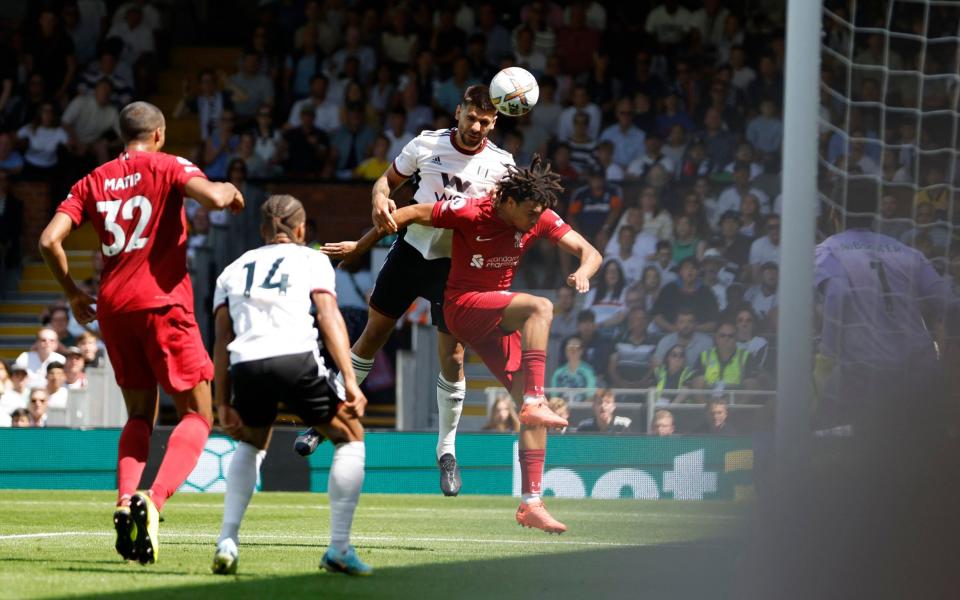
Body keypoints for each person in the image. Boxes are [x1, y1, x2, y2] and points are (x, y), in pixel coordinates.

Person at [323, 155, 602, 533]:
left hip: (495, 316)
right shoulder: (471, 211)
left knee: (529, 409)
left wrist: (583, 271)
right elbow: (406, 214)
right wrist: (360, 244)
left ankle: (532, 502)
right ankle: (534, 401)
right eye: (531, 212)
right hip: (462, 307)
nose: (537, 220)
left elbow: (591, 252)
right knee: (541, 307)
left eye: (540, 213)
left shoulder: (539, 218)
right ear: (507, 203)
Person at [39, 101, 245, 565]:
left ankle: (125, 499)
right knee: (197, 413)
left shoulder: (92, 179)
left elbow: (49, 240)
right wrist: (229, 188)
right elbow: (212, 199)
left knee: (138, 416)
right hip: (162, 304)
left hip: (113, 308)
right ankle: (152, 501)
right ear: (159, 134)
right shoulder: (168, 164)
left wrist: (72, 291)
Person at [295, 86, 515, 498]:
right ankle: (332, 414)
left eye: (486, 121)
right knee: (374, 334)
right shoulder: (425, 144)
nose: (477, 126)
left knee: (452, 355)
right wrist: (379, 198)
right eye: (472, 117)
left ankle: (446, 451)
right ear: (459, 111)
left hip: (456, 268)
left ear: (495, 123)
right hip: (410, 250)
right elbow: (387, 181)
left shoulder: (502, 165)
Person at [210, 195, 370, 576]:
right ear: (301, 230)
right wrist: (350, 378)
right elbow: (328, 314)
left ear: (263, 231)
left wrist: (220, 403)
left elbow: (220, 339)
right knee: (350, 436)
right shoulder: (313, 259)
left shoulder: (232, 269)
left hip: (245, 364)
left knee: (251, 442)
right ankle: (339, 548)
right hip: (294, 358)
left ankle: (227, 542)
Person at [691, 320, 759, 392]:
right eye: (722, 336)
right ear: (716, 337)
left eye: (730, 336)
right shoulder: (704, 356)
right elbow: (696, 382)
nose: (726, 339)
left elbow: (752, 384)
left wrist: (738, 402)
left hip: (736, 400)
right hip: (709, 400)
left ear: (736, 338)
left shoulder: (746, 356)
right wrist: (705, 402)